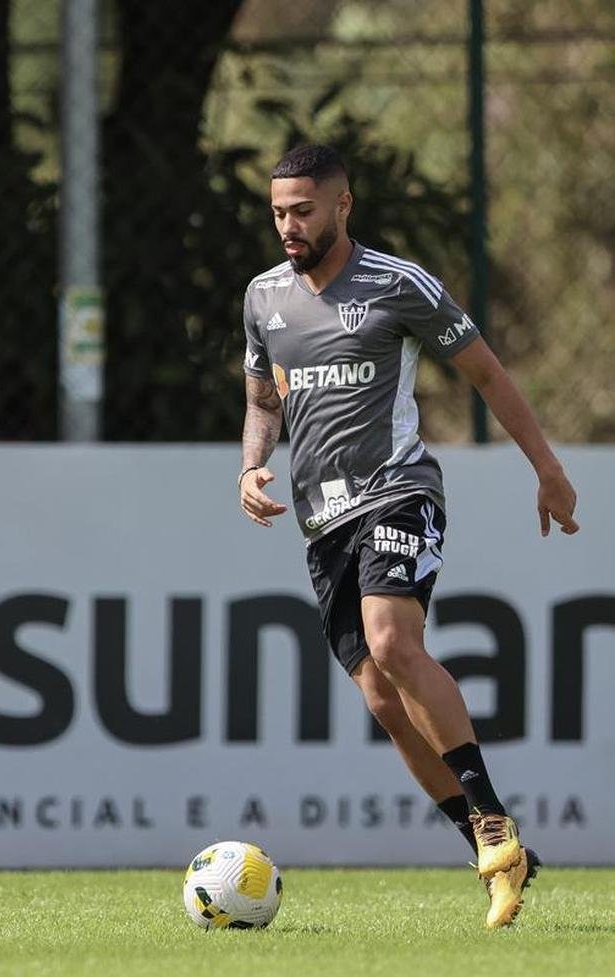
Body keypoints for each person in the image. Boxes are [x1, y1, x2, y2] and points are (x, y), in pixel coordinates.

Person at [238, 144, 578, 929]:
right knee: (383, 701)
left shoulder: (398, 284)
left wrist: (548, 471)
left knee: (393, 642)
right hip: (322, 523)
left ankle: (491, 816)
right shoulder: (263, 297)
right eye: (279, 213)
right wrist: (252, 465)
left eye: (304, 211)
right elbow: (262, 400)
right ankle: (491, 848)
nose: (289, 226)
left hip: (398, 491)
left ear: (342, 204)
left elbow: (487, 374)